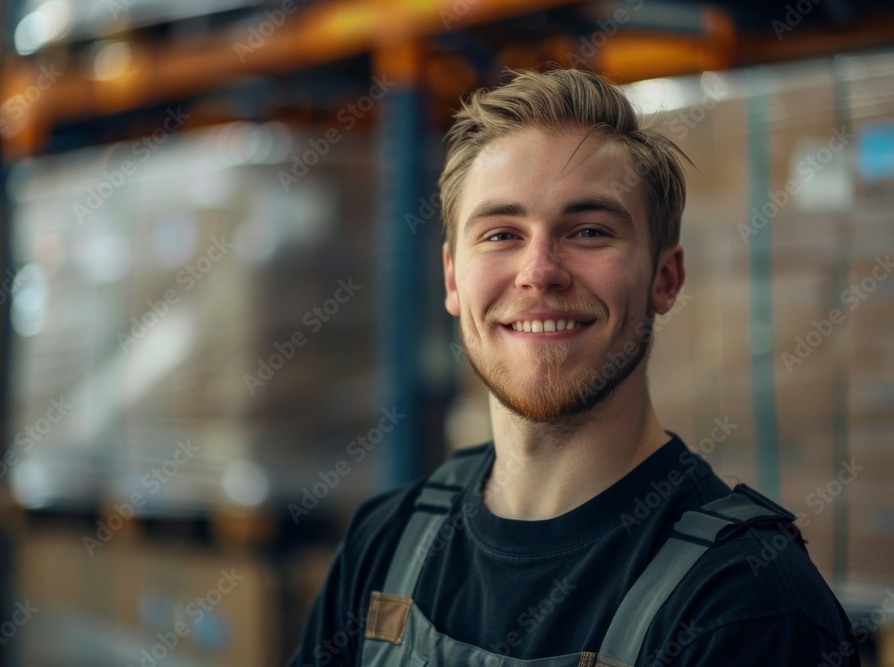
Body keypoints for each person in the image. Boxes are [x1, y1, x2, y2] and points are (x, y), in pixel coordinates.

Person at [287, 68, 860, 666]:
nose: (540, 270)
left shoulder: (747, 603)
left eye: (589, 230)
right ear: (453, 278)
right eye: (502, 233)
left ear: (666, 278)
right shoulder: (384, 543)